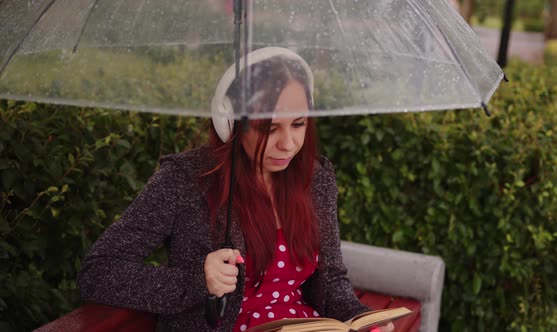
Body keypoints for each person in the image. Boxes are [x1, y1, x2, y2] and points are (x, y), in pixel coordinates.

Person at [77, 47, 392, 332]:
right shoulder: (185, 181)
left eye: (298, 124)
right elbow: (99, 272)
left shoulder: (315, 178)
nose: (289, 144)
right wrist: (197, 282)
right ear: (229, 121)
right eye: (269, 128)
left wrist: (361, 320)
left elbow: (332, 282)